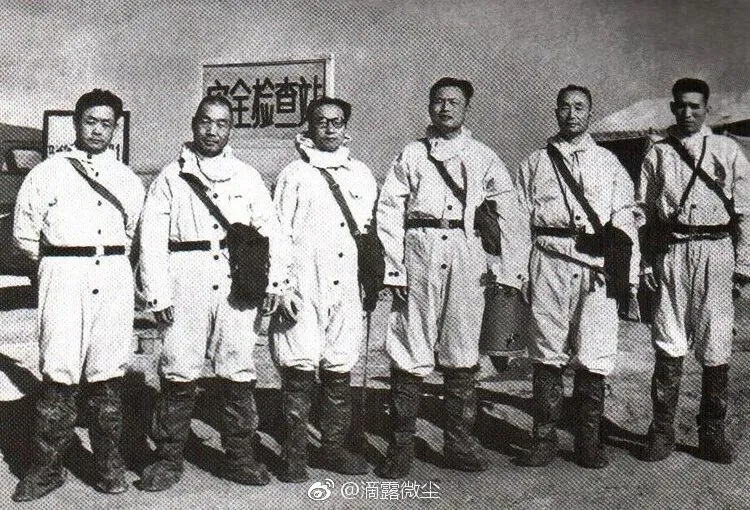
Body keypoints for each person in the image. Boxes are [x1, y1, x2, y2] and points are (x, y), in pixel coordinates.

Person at [375, 77, 530, 478]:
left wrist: (511, 271)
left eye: (454, 102)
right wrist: (395, 267)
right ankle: (401, 446)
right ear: (430, 106)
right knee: (409, 344)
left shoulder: (483, 156)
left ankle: (458, 443)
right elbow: (388, 210)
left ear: (466, 108)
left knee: (461, 348)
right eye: (439, 101)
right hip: (419, 248)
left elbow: (510, 213)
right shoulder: (411, 153)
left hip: (466, 250)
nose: (445, 108)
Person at [136, 95, 288, 490]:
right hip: (184, 277)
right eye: (205, 121)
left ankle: (240, 457)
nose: (212, 131)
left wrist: (276, 281)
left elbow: (272, 232)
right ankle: (168, 459)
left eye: (221, 124)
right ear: (194, 123)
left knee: (237, 368)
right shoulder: (170, 177)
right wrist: (157, 294)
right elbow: (151, 239)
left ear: (230, 129)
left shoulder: (246, 176)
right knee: (179, 367)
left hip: (236, 279)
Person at [12, 89, 145, 501]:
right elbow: (24, 234)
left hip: (113, 276)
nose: (97, 130)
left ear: (115, 128)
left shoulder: (127, 179)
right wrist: (58, 265)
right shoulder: (47, 173)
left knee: (108, 371)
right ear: (76, 123)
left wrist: (110, 262)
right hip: (63, 274)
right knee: (59, 368)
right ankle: (46, 468)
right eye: (90, 121)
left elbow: (134, 234)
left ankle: (107, 465)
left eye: (106, 124)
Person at [515, 84, 640, 469]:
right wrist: (519, 274)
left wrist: (626, 275)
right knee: (546, 348)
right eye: (565, 107)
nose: (572, 114)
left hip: (595, 266)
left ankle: (588, 440)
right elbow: (518, 222)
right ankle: (544, 439)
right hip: (548, 260)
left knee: (594, 351)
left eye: (579, 107)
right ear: (556, 112)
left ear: (589, 112)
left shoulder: (608, 162)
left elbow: (626, 220)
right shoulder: (535, 162)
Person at [638, 78, 750, 464]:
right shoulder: (658, 154)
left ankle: (711, 433)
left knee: (715, 339)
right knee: (668, 338)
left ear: (706, 109)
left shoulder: (726, 150)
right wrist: (646, 261)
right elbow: (645, 213)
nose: (687, 113)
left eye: (695, 106)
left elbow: (746, 212)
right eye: (681, 106)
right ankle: (661, 430)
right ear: (673, 108)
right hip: (673, 251)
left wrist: (743, 266)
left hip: (716, 251)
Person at [269, 96, 377, 483]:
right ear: (309, 127)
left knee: (339, 365)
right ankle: (294, 454)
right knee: (299, 365)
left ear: (346, 128)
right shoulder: (294, 174)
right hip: (303, 284)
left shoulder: (361, 174)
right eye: (321, 121)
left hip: (345, 284)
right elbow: (278, 233)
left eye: (337, 121)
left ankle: (332, 448)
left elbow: (369, 232)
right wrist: (281, 286)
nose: (329, 128)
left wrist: (371, 277)